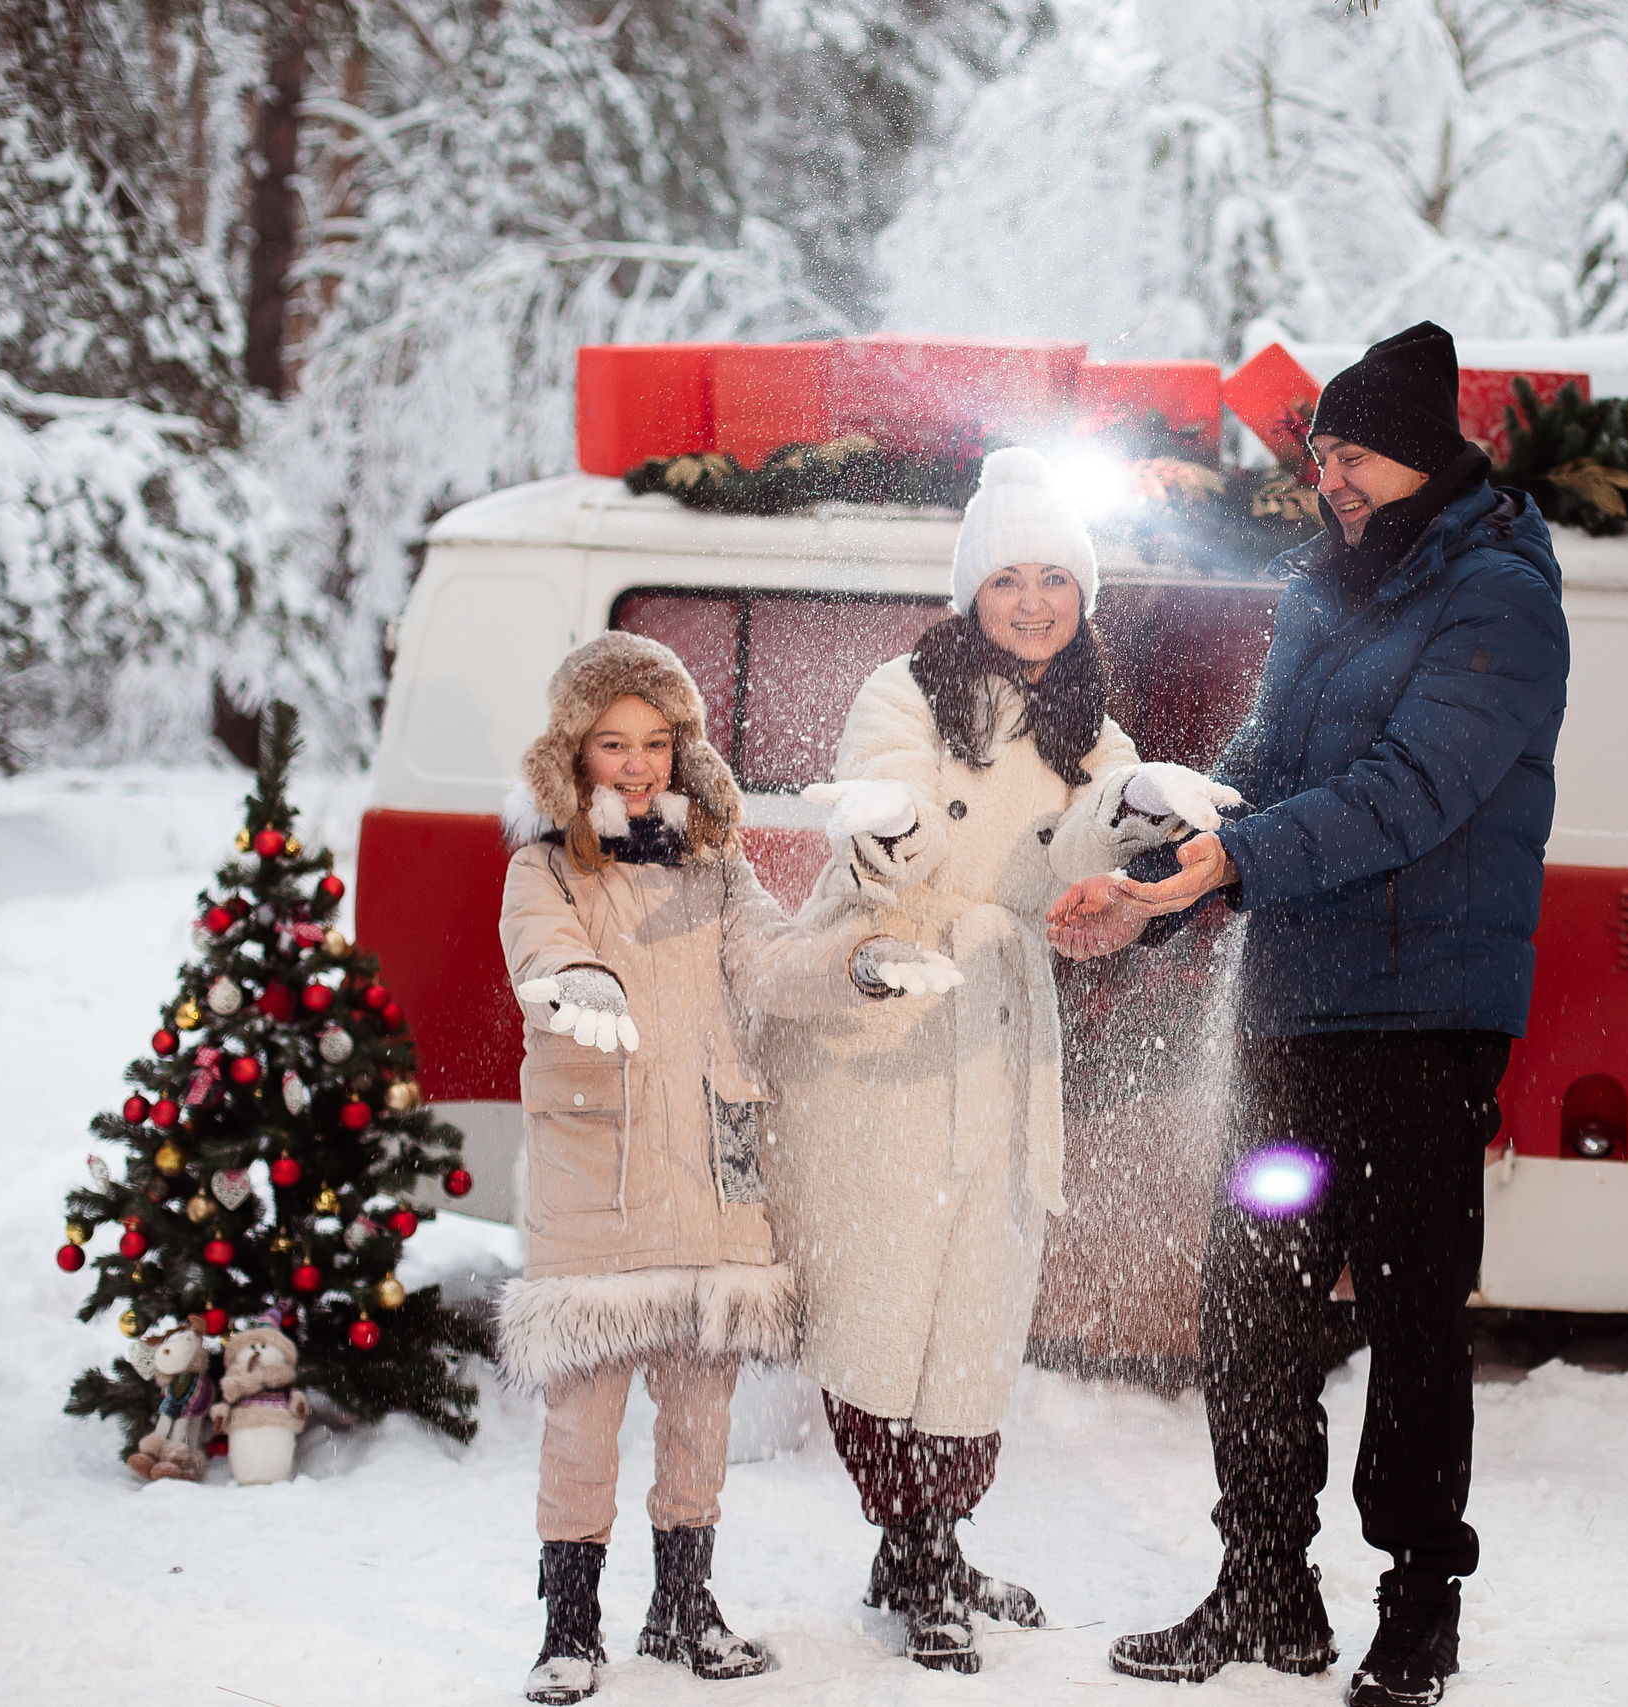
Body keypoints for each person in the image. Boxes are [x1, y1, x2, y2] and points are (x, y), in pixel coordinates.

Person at [1051, 322, 1570, 1707]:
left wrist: (1230, 860)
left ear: (1421, 457)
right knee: (1253, 1306)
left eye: (1352, 457)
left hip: (1422, 1021)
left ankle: (1418, 1607)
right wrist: (1156, 877)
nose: (1327, 479)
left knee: (1409, 1317)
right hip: (1295, 1012)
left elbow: (1414, 789)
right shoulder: (1324, 589)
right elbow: (1261, 772)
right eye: (1320, 454)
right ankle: (1266, 1583)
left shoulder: (1500, 594)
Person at [757, 447, 1239, 1674]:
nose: (1032, 602)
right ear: (971, 590)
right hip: (887, 1022)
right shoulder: (903, 692)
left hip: (1004, 1031)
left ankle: (936, 1539)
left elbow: (1078, 846)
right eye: (1009, 579)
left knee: (978, 1298)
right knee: (882, 1294)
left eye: (1055, 579)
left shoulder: (1093, 724)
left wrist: (1134, 809)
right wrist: (891, 823)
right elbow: (892, 818)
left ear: (1083, 595)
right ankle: (912, 1549)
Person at [495, 632, 963, 1705]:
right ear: (574, 750)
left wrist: (858, 962)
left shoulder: (713, 866)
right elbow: (539, 950)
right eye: (613, 742)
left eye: (656, 741)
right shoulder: (544, 867)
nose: (637, 764)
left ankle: (683, 1604)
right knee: (584, 1419)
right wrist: (577, 982)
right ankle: (570, 1623)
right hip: (601, 1172)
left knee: (701, 1413)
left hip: (715, 1166)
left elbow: (772, 960)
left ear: (683, 749)